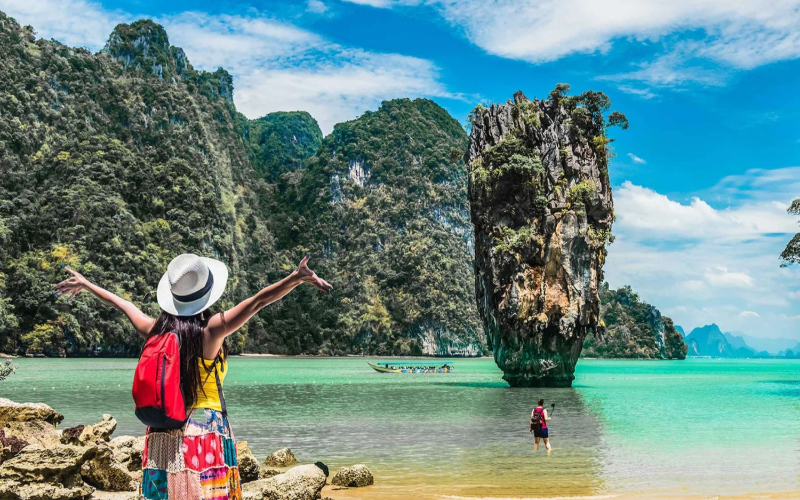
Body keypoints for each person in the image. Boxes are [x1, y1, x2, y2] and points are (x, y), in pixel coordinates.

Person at [53, 253, 331, 500]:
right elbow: (258, 301)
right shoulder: (211, 331)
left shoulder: (155, 330)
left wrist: (87, 285)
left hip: (162, 430)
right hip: (204, 430)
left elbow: (123, 304)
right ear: (205, 295)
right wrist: (296, 278)